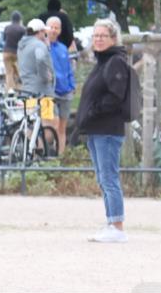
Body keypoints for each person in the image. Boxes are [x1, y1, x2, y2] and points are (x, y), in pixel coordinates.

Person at [76, 18, 133, 243]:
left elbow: (115, 96)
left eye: (103, 36)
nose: (98, 39)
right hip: (96, 129)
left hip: (107, 129)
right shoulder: (103, 61)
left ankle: (117, 226)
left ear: (113, 38)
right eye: (95, 35)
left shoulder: (115, 61)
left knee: (109, 178)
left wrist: (94, 111)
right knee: (103, 178)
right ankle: (111, 222)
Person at [47, 16, 76, 154]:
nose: (53, 30)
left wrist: (72, 85)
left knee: (62, 127)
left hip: (66, 91)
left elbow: (68, 69)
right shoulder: (42, 47)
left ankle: (60, 156)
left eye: (56, 27)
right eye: (51, 27)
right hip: (49, 93)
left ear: (60, 30)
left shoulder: (63, 48)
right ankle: (46, 153)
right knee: (52, 124)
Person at [17, 18, 54, 98]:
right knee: (50, 110)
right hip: (41, 92)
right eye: (44, 32)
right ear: (40, 32)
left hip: (26, 89)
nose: (45, 34)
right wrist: (45, 77)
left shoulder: (22, 45)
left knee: (29, 110)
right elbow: (40, 59)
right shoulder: (38, 45)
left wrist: (47, 46)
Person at [1, 10, 25, 92]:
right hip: (16, 53)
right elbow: (24, 41)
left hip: (6, 52)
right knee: (18, 72)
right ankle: (19, 89)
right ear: (19, 19)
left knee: (9, 72)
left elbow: (4, 39)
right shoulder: (22, 29)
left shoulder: (7, 28)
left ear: (12, 19)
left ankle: (10, 90)